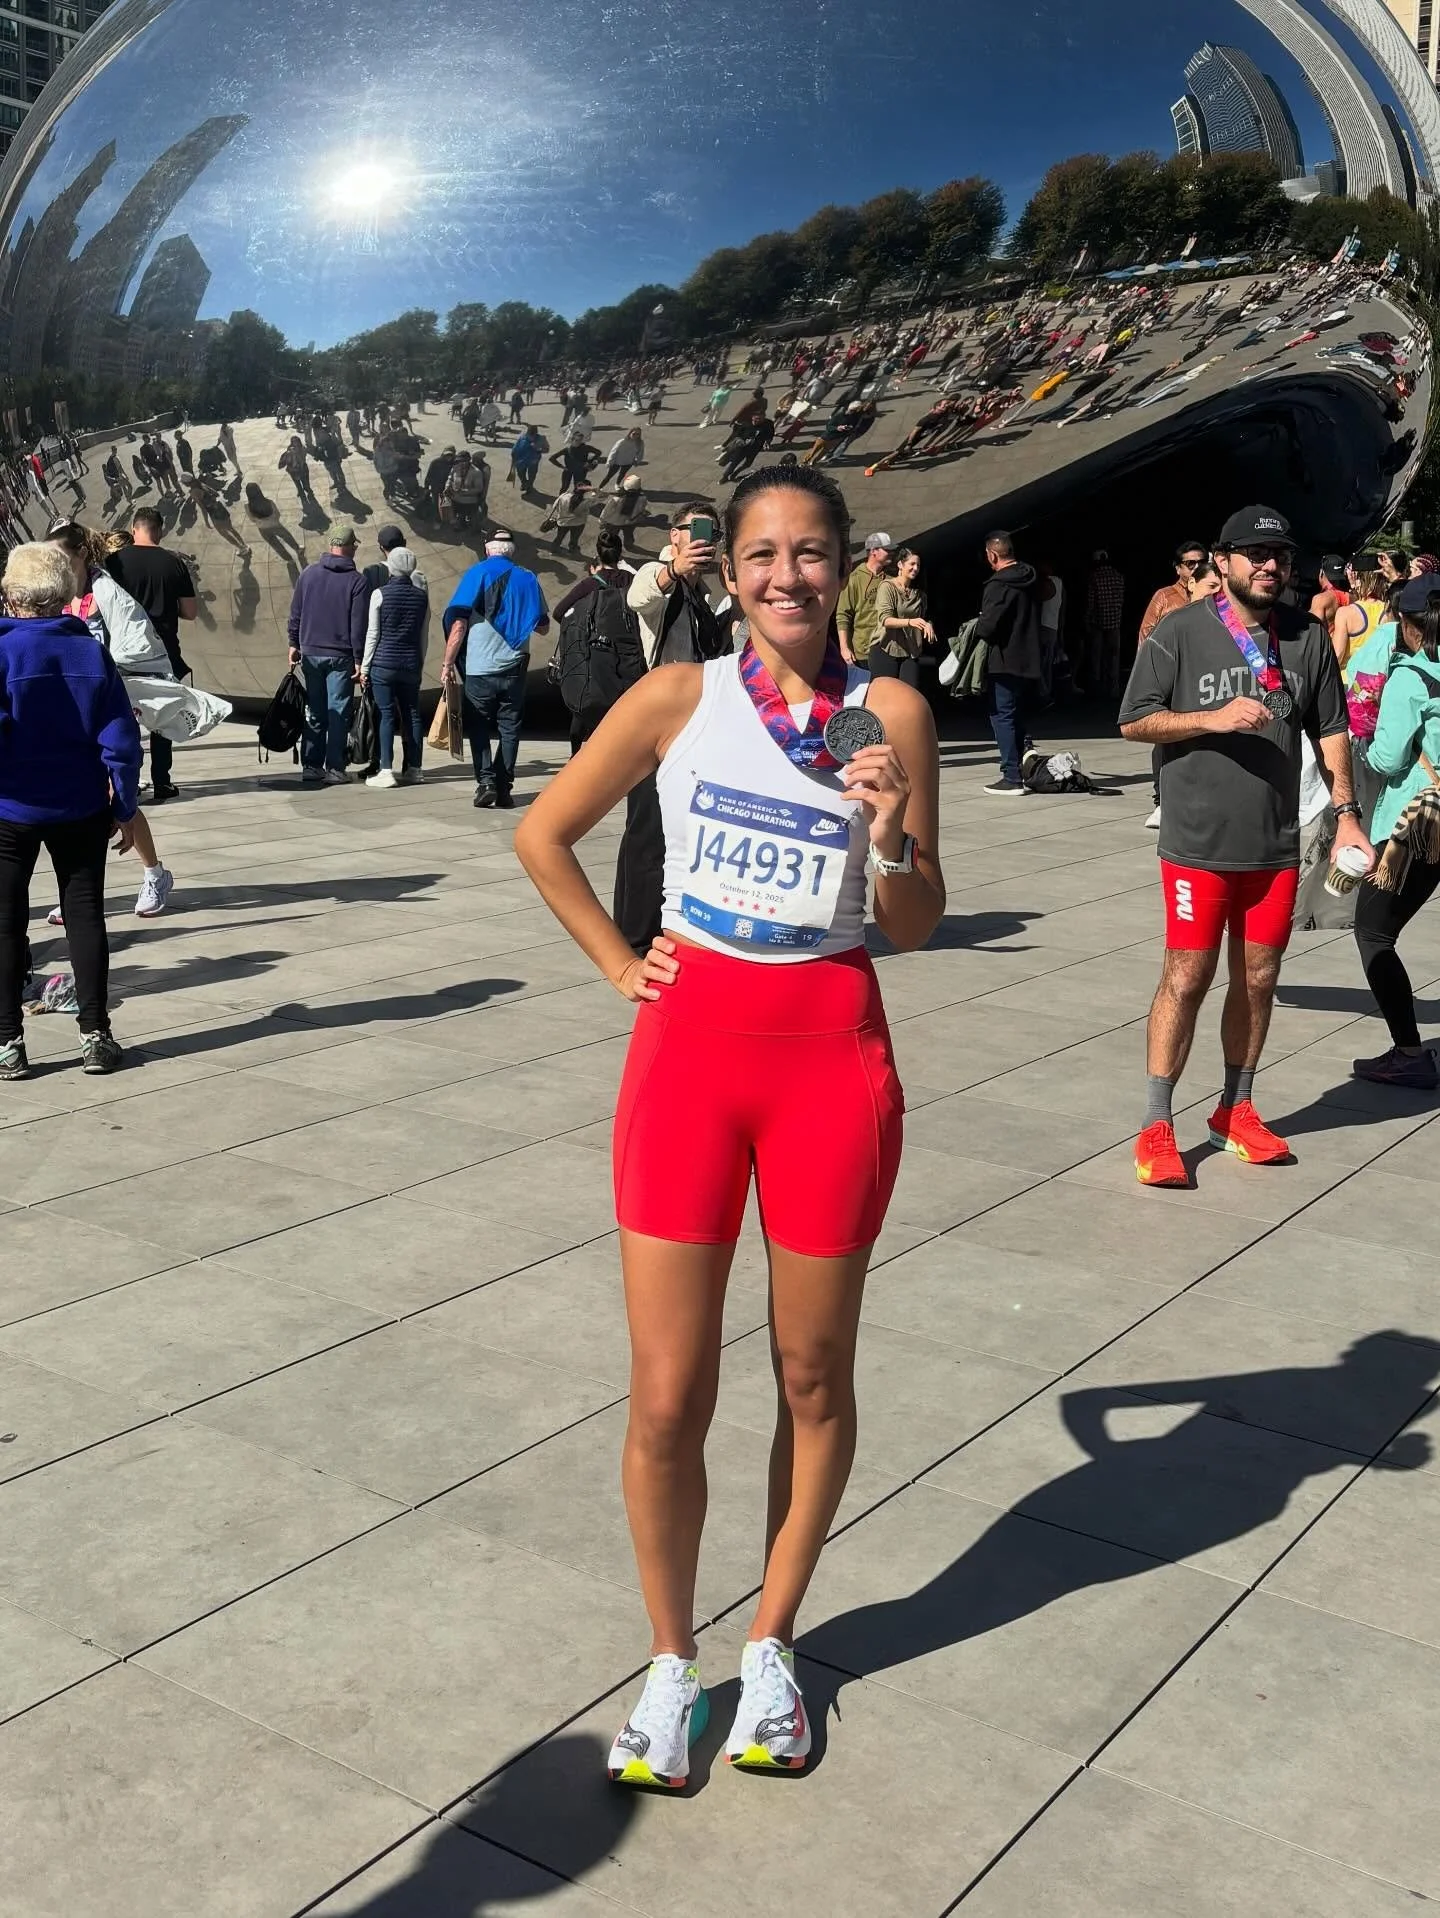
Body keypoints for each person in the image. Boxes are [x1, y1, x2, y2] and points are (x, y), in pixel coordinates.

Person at [514, 462, 943, 1786]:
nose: (785, 575)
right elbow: (545, 833)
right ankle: (664, 1664)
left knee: (812, 1376)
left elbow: (917, 923)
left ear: (842, 568)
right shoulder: (677, 696)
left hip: (831, 1057)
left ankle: (770, 1644)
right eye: (761, 552)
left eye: (810, 552)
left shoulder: (891, 713)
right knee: (665, 1394)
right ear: (727, 566)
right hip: (689, 1056)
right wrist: (612, 957)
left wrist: (888, 833)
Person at [1118, 505, 1371, 1188]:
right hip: (1196, 844)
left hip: (1275, 845)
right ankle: (1156, 1122)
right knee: (1187, 977)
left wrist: (1347, 815)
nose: (1270, 566)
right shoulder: (1180, 630)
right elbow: (1134, 721)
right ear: (1222, 561)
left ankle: (1236, 1107)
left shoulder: (1306, 637)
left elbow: (1331, 730)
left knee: (1259, 979)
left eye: (1280, 556)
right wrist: (1212, 718)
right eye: (1255, 555)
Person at [0, 542, 140, 1081]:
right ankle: (95, 1035)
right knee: (85, 917)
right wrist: (124, 802)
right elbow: (121, 738)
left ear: (11, 596)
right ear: (64, 596)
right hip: (79, 805)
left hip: (9, 808)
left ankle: (9, 1042)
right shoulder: (89, 653)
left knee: (8, 923)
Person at [618, 503, 739, 951]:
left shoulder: (703, 592)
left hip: (696, 723)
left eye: (712, 532)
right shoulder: (658, 573)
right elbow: (639, 598)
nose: (703, 539)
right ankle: (633, 935)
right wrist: (674, 569)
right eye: (695, 530)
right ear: (675, 535)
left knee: (683, 830)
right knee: (647, 830)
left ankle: (673, 921)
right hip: (655, 723)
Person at [50, 520, 176, 919]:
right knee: (73, 799)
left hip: (104, 704)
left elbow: (134, 643)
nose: (56, 564)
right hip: (70, 707)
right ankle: (75, 891)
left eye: (62, 557)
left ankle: (154, 873)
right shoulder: (59, 594)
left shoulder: (106, 592)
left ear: (82, 554)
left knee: (114, 795)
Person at [1350, 575, 1440, 1088]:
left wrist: (1362, 738)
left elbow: (1386, 757)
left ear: (1406, 624)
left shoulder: (1410, 678)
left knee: (1374, 933)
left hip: (1417, 824)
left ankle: (1408, 1049)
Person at [440, 531, 550, 808]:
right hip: (515, 665)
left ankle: (486, 782)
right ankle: (504, 788)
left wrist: (448, 662)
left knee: (478, 725)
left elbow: (459, 624)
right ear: (511, 552)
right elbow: (543, 626)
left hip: (480, 667)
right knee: (510, 728)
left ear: (488, 550)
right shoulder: (528, 578)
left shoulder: (477, 573)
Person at [105, 507, 197, 805]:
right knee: (162, 720)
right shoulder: (174, 563)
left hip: (124, 652)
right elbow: (190, 612)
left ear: (134, 529)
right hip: (164, 652)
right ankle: (162, 782)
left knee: (124, 718)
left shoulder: (114, 562)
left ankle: (127, 781)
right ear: (161, 529)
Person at [286, 524, 369, 785]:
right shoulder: (357, 581)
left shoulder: (308, 574)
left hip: (310, 652)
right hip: (341, 655)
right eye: (355, 544)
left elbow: (296, 612)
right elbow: (358, 624)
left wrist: (293, 643)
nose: (356, 548)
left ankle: (311, 765)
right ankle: (335, 768)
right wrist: (359, 658)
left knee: (315, 710)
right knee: (339, 711)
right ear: (349, 546)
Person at [974, 531, 1044, 796]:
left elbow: (988, 627)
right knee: (1016, 715)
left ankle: (1011, 776)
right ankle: (1020, 772)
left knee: (1001, 715)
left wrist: (979, 623)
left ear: (992, 555)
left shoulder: (998, 585)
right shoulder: (1031, 577)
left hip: (1004, 659)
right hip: (1028, 657)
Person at [360, 547, 428, 790]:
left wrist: (365, 667)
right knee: (412, 714)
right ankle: (415, 769)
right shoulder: (421, 597)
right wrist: (419, 662)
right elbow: (423, 634)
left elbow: (373, 634)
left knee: (387, 715)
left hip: (383, 664)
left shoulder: (380, 594)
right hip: (410, 663)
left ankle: (386, 769)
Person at [870, 547, 933, 688]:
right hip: (886, 647)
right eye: (912, 564)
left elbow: (922, 618)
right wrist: (910, 622)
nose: (915, 568)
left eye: (918, 565)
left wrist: (928, 624)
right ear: (900, 565)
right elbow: (885, 620)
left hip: (910, 651)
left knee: (910, 693)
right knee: (885, 694)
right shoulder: (887, 587)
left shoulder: (919, 594)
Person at [834, 531, 893, 667]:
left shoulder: (891, 580)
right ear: (873, 551)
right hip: (863, 652)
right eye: (887, 549)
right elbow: (843, 615)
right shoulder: (855, 579)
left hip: (888, 649)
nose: (891, 552)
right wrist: (844, 648)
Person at [1139, 541, 1209, 646]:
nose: (1197, 567)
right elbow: (1145, 635)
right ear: (1178, 569)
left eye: (1202, 562)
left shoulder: (1214, 594)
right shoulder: (1163, 596)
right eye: (1190, 563)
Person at [1084, 549, 1126, 697]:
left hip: (1098, 623)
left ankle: (1097, 687)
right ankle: (1113, 687)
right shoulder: (1118, 577)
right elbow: (1121, 600)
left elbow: (1091, 603)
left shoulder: (1094, 577)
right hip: (1115, 623)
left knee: (1097, 655)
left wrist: (1087, 620)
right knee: (1114, 655)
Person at [598, 472, 648, 553]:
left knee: (611, 537)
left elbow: (606, 511)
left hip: (614, 522)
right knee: (629, 535)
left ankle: (611, 549)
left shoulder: (616, 499)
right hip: (631, 522)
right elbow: (642, 508)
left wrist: (601, 521)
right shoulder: (642, 498)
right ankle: (629, 545)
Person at [598, 427, 645, 491]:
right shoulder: (622, 441)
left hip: (628, 462)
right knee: (609, 476)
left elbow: (640, 453)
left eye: (638, 434)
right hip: (617, 461)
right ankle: (599, 488)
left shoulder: (640, 443)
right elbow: (613, 451)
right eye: (634, 434)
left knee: (622, 474)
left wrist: (637, 461)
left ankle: (617, 484)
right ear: (630, 433)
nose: (635, 436)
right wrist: (609, 462)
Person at [509, 425, 544, 498]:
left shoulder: (541, 439)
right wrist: (513, 454)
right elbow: (515, 447)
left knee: (532, 475)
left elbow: (546, 449)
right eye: (529, 434)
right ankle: (524, 483)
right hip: (521, 460)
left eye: (533, 434)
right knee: (520, 473)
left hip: (533, 461)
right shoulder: (522, 437)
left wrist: (538, 449)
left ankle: (529, 486)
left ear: (536, 433)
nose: (531, 436)